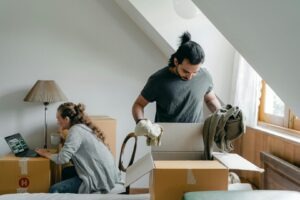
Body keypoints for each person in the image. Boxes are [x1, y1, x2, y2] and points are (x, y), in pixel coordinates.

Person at [132, 31, 221, 124]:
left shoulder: (204, 77)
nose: (190, 77)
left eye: (195, 72)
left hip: (195, 134)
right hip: (166, 135)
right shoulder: (158, 80)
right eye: (185, 71)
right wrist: (140, 122)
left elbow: (210, 99)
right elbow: (138, 105)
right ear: (176, 61)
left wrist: (221, 116)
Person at [35, 102, 120, 194]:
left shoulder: (75, 131)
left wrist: (45, 154)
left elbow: (62, 159)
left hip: (99, 177)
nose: (57, 122)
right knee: (66, 172)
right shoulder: (82, 128)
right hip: (107, 173)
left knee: (54, 189)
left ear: (66, 119)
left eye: (58, 118)